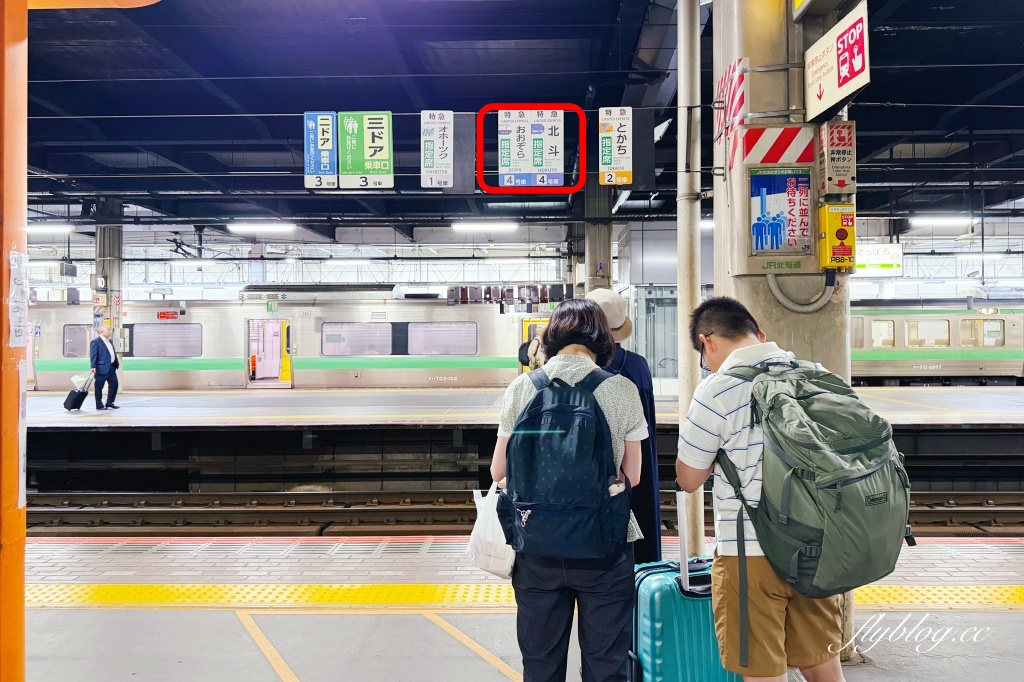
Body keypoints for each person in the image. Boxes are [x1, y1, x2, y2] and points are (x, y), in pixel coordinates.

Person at [675, 297, 844, 682]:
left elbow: (689, 479)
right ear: (760, 335)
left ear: (708, 342)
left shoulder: (717, 391)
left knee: (762, 672)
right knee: (823, 665)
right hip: (820, 548)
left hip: (751, 553)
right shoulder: (816, 375)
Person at [491, 298, 647, 682]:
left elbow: (498, 471)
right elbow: (635, 475)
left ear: (551, 337)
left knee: (541, 663)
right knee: (606, 662)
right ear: (603, 339)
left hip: (537, 546)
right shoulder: (621, 389)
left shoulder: (522, 387)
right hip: (605, 547)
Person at [586, 287, 662, 564]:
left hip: (592, 483)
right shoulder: (637, 366)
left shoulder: (579, 371)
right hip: (635, 472)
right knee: (639, 541)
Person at [89, 325, 120, 410]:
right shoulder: (95, 342)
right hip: (101, 368)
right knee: (99, 387)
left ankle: (110, 402)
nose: (109, 332)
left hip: (111, 367)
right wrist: (93, 366)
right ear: (102, 332)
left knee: (114, 385)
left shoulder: (109, 341)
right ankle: (99, 405)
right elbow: (93, 355)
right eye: (108, 331)